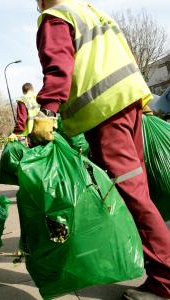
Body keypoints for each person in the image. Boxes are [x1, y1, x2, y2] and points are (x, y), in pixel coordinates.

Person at [31, 0, 170, 299]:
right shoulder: (90, 11)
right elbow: (124, 55)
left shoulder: (54, 17)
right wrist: (143, 100)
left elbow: (58, 68)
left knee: (133, 196)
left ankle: (165, 283)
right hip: (128, 104)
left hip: (105, 113)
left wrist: (48, 111)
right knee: (139, 192)